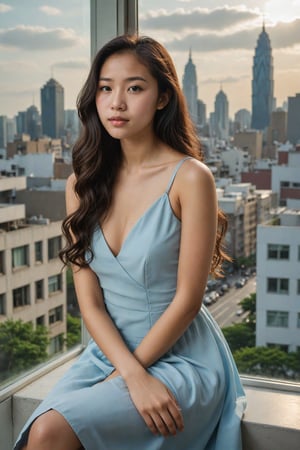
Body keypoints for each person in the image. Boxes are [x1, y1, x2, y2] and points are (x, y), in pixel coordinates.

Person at [15, 34, 246, 450]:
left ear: (162, 98)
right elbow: (91, 305)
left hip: (180, 357)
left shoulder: (191, 178)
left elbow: (187, 301)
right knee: (40, 432)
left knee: (50, 433)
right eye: (106, 88)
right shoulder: (80, 185)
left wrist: (136, 375)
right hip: (109, 355)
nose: (116, 102)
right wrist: (128, 373)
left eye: (134, 88)